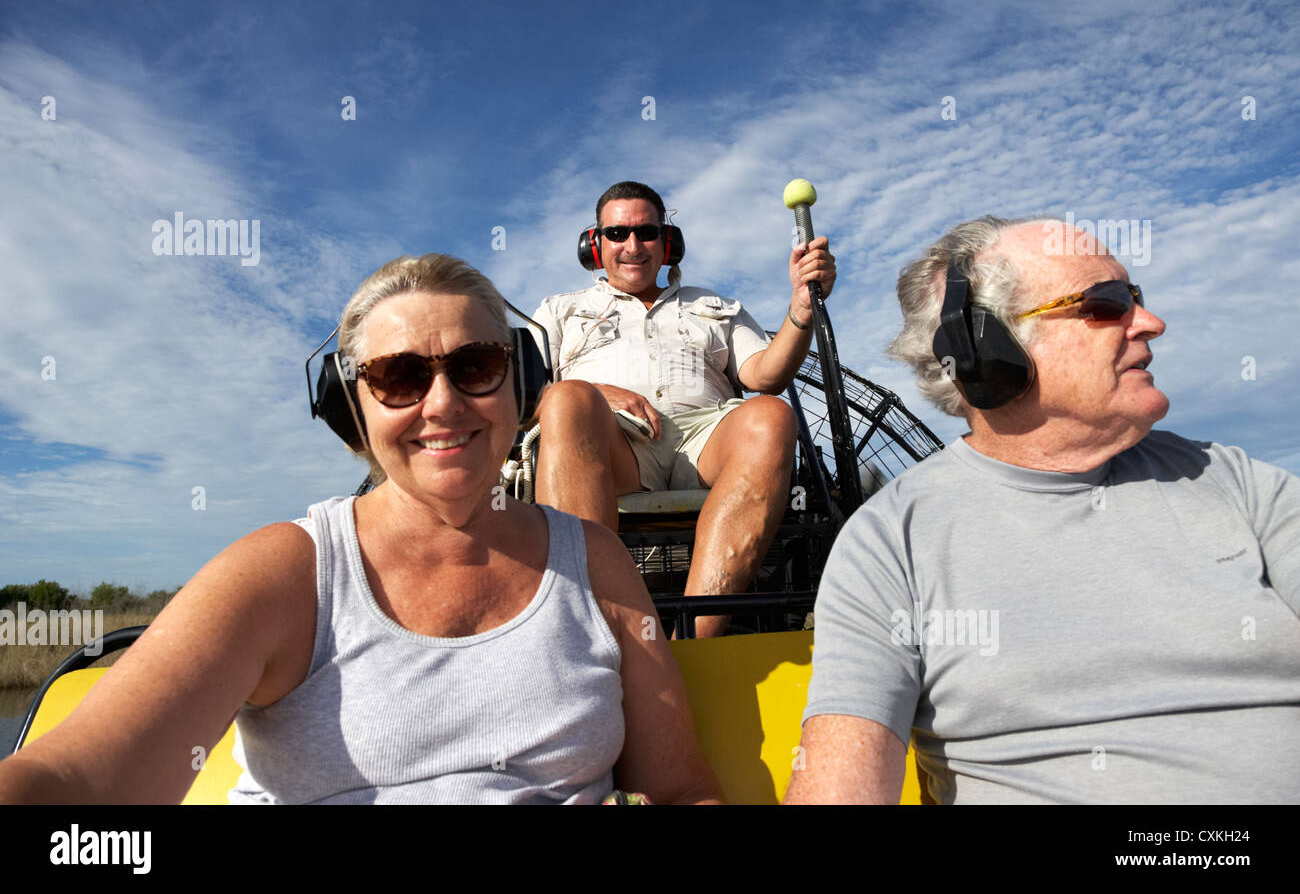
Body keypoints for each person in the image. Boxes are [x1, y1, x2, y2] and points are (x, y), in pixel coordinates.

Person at [0, 254, 723, 805]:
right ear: (353, 409)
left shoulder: (594, 562)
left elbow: (683, 791)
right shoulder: (284, 573)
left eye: (475, 366)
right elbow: (76, 779)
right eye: (400, 378)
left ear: (519, 384)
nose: (443, 405)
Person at [785, 216, 1300, 804]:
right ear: (982, 348)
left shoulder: (1237, 482)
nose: (1152, 323)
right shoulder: (891, 541)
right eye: (1105, 305)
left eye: (1136, 298)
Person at [532, 181, 836, 638]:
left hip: (707, 439)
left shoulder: (715, 305)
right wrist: (593, 389)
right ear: (594, 245)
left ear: (667, 242)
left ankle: (695, 639)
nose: (632, 246)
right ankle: (590, 638)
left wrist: (800, 309)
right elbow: (520, 393)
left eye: (646, 233)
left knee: (771, 414)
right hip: (613, 443)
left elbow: (766, 375)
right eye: (617, 234)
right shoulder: (560, 311)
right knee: (564, 398)